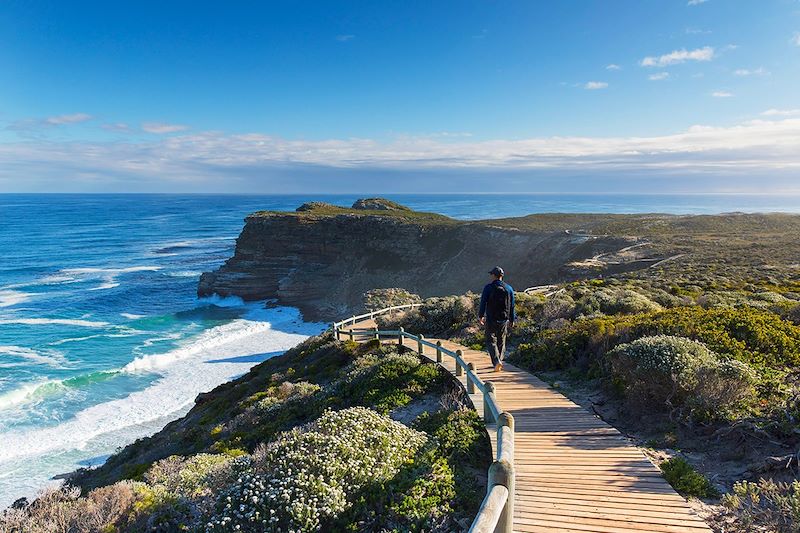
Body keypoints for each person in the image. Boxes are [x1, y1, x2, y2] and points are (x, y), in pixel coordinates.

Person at [478, 266, 515, 372]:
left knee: (490, 340)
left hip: (491, 318)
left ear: (494, 275)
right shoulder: (509, 288)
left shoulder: (488, 288)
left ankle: (496, 361)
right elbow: (512, 306)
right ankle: (499, 360)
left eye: (491, 274)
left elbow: (483, 303)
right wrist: (512, 319)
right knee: (501, 341)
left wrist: (481, 316)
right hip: (503, 319)